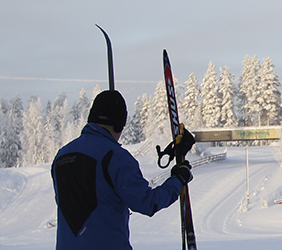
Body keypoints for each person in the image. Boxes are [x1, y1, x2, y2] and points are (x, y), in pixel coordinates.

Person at [52, 90, 194, 250]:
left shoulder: (61, 157)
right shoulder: (115, 156)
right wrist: (178, 180)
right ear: (119, 123)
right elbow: (148, 203)